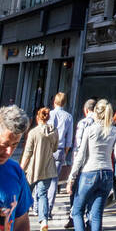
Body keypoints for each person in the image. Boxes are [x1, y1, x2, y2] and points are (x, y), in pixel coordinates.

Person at [67, 98, 116, 231]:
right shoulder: (114, 131)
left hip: (89, 172)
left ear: (96, 112)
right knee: (97, 215)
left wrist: (71, 177)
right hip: (107, 174)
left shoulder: (90, 129)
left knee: (77, 210)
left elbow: (80, 156)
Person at [20, 108, 59, 231]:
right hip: (47, 167)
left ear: (38, 118)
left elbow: (28, 153)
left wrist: (21, 168)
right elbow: (54, 149)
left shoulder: (33, 132)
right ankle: (44, 222)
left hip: (32, 168)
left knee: (26, 194)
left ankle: (22, 221)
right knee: (42, 195)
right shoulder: (54, 131)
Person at [64, 98, 95, 231]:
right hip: (94, 163)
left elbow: (78, 145)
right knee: (91, 192)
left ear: (86, 110)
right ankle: (90, 219)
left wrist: (74, 166)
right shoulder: (102, 124)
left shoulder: (83, 123)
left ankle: (74, 216)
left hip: (81, 162)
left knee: (75, 190)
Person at [46, 92, 73, 220]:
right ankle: (48, 209)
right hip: (60, 149)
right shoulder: (68, 117)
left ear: (54, 102)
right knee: (53, 181)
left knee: (42, 177)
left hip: (47, 148)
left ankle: (38, 206)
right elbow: (69, 138)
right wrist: (65, 151)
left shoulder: (49, 114)